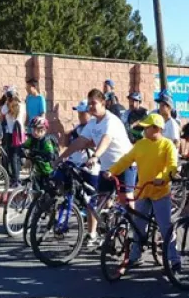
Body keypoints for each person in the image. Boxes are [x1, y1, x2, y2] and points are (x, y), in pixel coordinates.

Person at [55, 88, 134, 247]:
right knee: (95, 203)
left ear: (103, 103)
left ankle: (135, 234)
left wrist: (95, 156)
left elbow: (106, 139)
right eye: (89, 103)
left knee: (127, 202)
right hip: (108, 168)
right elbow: (80, 142)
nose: (91, 106)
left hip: (126, 165)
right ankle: (92, 235)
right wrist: (61, 157)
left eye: (94, 103)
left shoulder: (111, 121)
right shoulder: (92, 123)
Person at [106, 113, 180, 271]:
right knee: (138, 225)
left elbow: (172, 166)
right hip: (143, 190)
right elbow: (126, 159)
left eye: (147, 128)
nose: (144, 131)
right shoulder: (141, 144)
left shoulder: (167, 145)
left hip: (160, 192)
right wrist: (112, 171)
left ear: (157, 128)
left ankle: (174, 259)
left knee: (165, 227)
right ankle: (135, 256)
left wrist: (163, 177)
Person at [0, 89, 26, 186]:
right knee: (17, 156)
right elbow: (23, 119)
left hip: (11, 134)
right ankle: (16, 177)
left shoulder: (6, 107)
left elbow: (2, 112)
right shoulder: (22, 106)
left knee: (12, 157)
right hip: (20, 133)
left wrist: (7, 102)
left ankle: (14, 178)